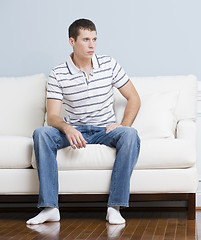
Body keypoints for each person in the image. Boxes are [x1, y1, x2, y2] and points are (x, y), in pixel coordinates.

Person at [26, 18, 141, 225]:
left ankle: (114, 207)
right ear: (72, 41)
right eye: (86, 39)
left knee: (130, 134)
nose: (92, 45)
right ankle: (50, 207)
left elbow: (134, 98)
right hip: (74, 130)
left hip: (105, 130)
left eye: (94, 39)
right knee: (41, 133)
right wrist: (67, 128)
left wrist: (123, 125)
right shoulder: (58, 73)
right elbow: (52, 116)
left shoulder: (109, 64)